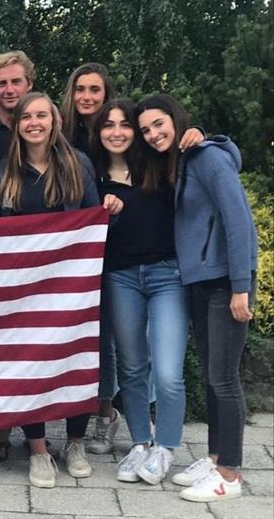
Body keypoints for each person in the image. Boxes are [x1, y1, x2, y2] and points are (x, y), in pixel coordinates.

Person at [0, 92, 123, 488]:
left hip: (72, 285)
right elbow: (0, 235)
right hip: (26, 288)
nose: (34, 122)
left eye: (42, 115)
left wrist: (109, 210)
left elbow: (90, 225)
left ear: (54, 121)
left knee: (74, 361)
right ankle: (37, 449)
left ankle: (76, 443)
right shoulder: (6, 171)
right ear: (17, 125)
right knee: (31, 362)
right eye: (26, 117)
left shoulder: (77, 163)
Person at [134, 94, 258, 503]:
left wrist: (241, 285)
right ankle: (215, 456)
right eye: (146, 129)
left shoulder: (206, 157)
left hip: (227, 282)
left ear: (176, 118)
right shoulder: (181, 161)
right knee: (211, 374)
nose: (153, 134)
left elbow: (237, 219)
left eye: (158, 124)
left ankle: (230, 474)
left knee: (224, 379)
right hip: (201, 281)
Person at [90, 99, 191, 485]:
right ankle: (139, 442)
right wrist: (107, 215)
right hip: (121, 277)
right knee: (131, 367)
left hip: (168, 275)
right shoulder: (94, 176)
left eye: (125, 124)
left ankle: (165, 446)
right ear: (98, 133)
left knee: (167, 372)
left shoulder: (160, 164)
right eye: (108, 125)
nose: (117, 131)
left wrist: (203, 137)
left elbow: (222, 155)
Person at [0, 50, 35, 161]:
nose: (9, 90)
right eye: (2, 83)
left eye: (16, 82)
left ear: (29, 84)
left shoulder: (43, 126)